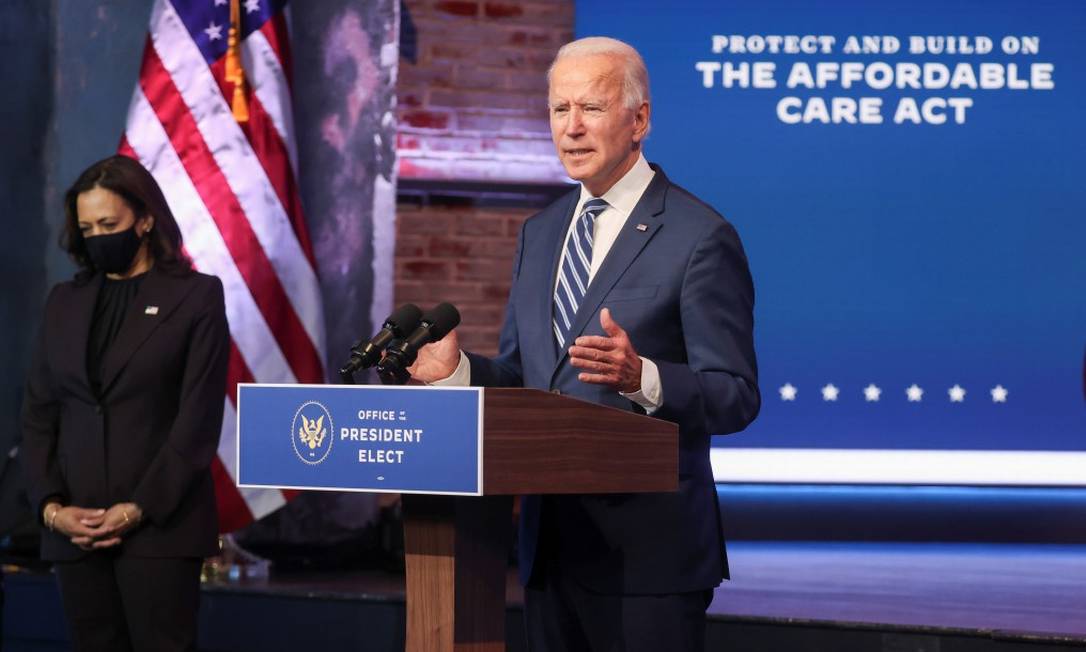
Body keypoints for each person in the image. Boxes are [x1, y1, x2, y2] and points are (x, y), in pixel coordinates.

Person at [410, 37, 760, 651]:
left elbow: (735, 396)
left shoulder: (700, 236)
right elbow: (528, 380)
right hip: (550, 549)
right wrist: (457, 372)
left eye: (591, 109)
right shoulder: (541, 233)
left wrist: (642, 377)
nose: (571, 129)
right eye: (558, 109)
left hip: (648, 559)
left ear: (639, 120)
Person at [20, 155, 229, 652]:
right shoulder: (63, 302)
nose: (97, 237)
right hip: (75, 529)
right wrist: (52, 508)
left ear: (145, 218)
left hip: (159, 529)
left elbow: (197, 421)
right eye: (87, 227)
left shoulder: (196, 296)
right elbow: (39, 414)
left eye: (109, 224)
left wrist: (137, 509)